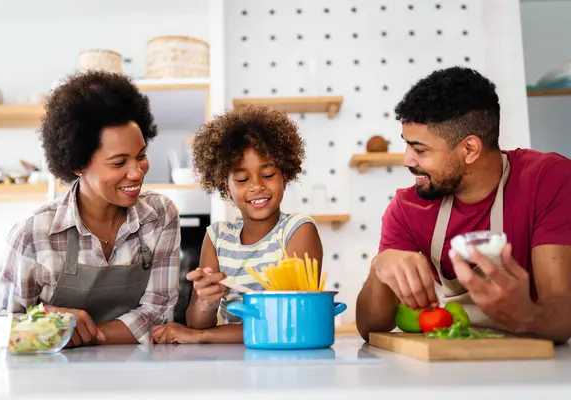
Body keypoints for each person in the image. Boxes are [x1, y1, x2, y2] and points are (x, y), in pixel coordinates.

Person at [356, 66, 571, 344]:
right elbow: (370, 327)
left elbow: (563, 313)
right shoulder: (406, 208)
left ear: (470, 149)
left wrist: (527, 315)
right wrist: (378, 269)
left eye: (420, 150)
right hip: (449, 361)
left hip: (537, 366)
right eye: (407, 146)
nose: (407, 160)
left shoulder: (548, 179)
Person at [0, 71, 181, 347]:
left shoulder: (160, 215)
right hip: (51, 382)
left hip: (136, 375)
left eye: (141, 156)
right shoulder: (33, 233)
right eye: (118, 163)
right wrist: (49, 322)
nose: (136, 172)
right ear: (78, 164)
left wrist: (83, 335)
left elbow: (158, 312)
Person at [150, 105, 323, 344]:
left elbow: (286, 322)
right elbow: (197, 322)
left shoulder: (298, 230)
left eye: (268, 175)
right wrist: (205, 301)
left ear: (285, 176)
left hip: (283, 360)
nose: (256, 186)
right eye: (242, 179)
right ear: (225, 188)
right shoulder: (217, 237)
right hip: (228, 365)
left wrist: (202, 337)